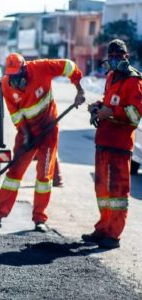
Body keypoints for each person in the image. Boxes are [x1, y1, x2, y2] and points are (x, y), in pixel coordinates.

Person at [0, 53, 85, 233]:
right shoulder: (6, 84)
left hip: (48, 130)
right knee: (13, 174)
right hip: (26, 132)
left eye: (17, 76)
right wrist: (26, 135)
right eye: (11, 76)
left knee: (44, 177)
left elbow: (69, 66)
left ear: (25, 69)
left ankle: (39, 219)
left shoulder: (41, 68)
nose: (14, 80)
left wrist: (79, 89)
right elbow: (16, 114)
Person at [83, 39, 142, 249]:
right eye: (113, 56)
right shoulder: (111, 76)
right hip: (103, 142)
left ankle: (113, 235)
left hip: (119, 145)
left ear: (127, 57)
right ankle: (103, 228)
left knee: (117, 192)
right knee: (102, 190)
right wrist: (98, 107)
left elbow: (135, 114)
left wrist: (111, 113)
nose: (116, 59)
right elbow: (109, 101)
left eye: (120, 56)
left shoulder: (134, 80)